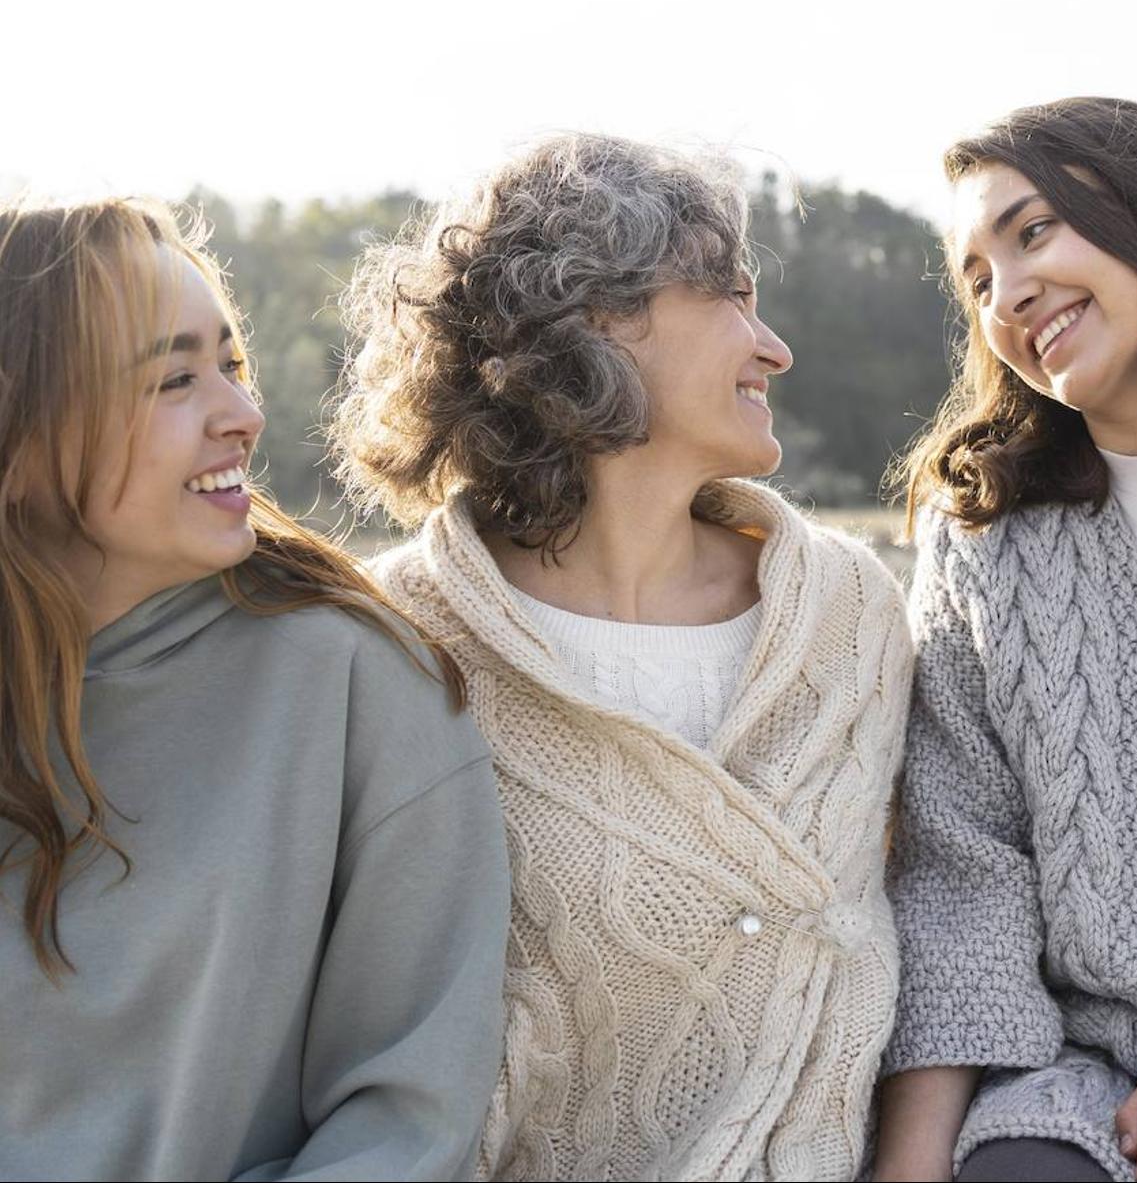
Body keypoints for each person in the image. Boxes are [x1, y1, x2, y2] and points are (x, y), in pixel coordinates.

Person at [330, 134, 914, 1181]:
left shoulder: (852, 617)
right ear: (597, 316)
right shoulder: (407, 638)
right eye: (730, 295)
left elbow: (933, 913)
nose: (773, 346)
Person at [0, 197, 510, 1181]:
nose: (244, 413)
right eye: (174, 378)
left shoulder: (354, 681)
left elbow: (408, 1119)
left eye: (231, 366)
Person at [874, 97, 1137, 1183]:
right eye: (977, 280)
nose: (1012, 292)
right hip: (1100, 1077)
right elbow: (961, 875)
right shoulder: (988, 538)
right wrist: (908, 1172)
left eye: (1034, 231)